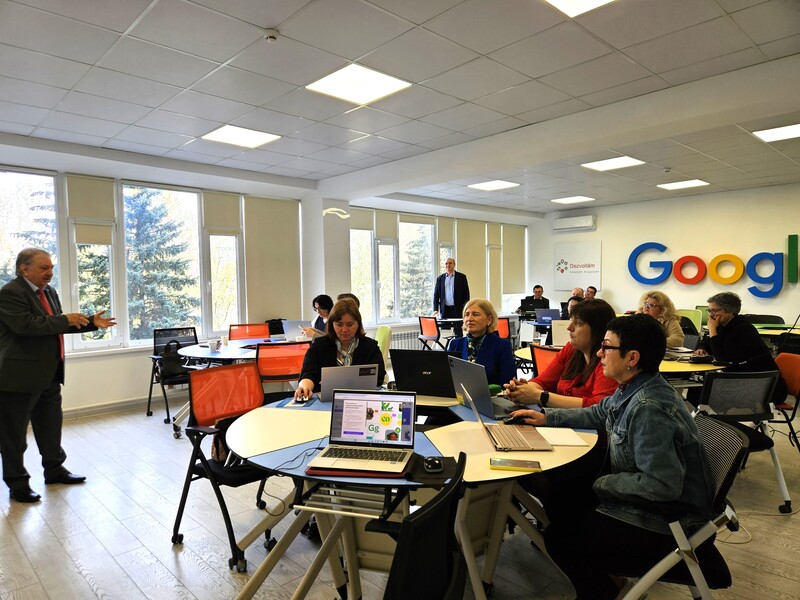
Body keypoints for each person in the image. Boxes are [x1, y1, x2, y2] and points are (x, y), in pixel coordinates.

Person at [509, 314, 714, 600]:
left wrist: (603, 483)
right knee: (564, 499)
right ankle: (608, 582)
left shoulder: (648, 408)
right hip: (654, 508)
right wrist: (547, 418)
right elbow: (599, 412)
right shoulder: (637, 386)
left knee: (560, 538)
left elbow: (662, 486)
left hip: (667, 523)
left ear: (632, 357)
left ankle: (604, 592)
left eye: (607, 347)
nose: (599, 353)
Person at [0, 248, 117, 503]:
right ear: (24, 269)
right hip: (18, 377)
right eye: (44, 268)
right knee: (13, 435)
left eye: (51, 268)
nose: (49, 273)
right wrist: (65, 320)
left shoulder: (49, 292)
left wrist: (90, 322)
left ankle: (54, 470)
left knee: (50, 427)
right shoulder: (10, 292)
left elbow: (55, 325)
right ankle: (17, 483)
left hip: (50, 373)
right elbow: (26, 326)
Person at [505, 299, 618, 408]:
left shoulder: (608, 361)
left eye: (578, 323)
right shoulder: (571, 349)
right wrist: (521, 389)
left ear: (598, 329)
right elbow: (543, 382)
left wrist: (540, 396)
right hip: (558, 418)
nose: (569, 327)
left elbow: (599, 407)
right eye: (571, 320)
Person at [694, 292, 787, 403]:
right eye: (709, 311)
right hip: (746, 379)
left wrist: (712, 329)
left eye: (714, 311)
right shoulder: (724, 326)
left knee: (699, 393)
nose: (711, 315)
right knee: (696, 390)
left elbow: (722, 359)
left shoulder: (743, 328)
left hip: (764, 386)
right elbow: (707, 343)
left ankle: (713, 415)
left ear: (729, 311)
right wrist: (702, 348)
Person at [295, 300, 386, 400]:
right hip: (327, 400)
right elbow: (308, 373)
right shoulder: (319, 345)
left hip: (361, 399)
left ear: (358, 324)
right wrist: (305, 388)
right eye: (339, 324)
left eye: (350, 324)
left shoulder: (370, 346)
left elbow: (379, 376)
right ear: (332, 324)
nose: (344, 330)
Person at [447, 298, 515, 387]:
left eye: (476, 314)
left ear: (489, 320)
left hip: (491, 395)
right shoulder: (455, 344)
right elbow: (447, 378)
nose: (469, 319)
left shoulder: (502, 346)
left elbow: (508, 384)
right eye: (466, 315)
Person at [432, 257, 469, 337]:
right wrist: (435, 309)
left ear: (454, 264)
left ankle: (458, 345)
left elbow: (466, 294)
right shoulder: (440, 279)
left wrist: (466, 309)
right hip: (445, 310)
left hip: (457, 309)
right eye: (446, 263)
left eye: (450, 263)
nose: (448, 265)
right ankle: (447, 345)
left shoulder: (462, 277)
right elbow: (436, 295)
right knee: (445, 333)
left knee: (458, 332)